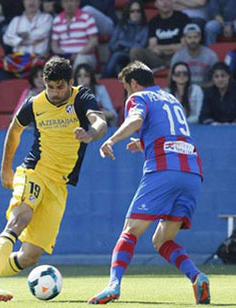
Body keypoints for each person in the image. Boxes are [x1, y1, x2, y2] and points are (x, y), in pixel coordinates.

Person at [0, 57, 107, 302]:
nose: (56, 93)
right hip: (34, 171)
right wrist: (6, 170)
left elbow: (100, 122)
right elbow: (14, 130)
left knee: (29, 256)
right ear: (43, 84)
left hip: (59, 184)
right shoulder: (35, 104)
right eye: (50, 87)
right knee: (20, 218)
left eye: (61, 87)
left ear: (71, 82)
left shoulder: (81, 97)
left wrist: (90, 133)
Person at [89, 61, 210, 305]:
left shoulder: (138, 97)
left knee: (130, 230)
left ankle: (114, 285)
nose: (126, 93)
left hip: (164, 170)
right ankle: (198, 276)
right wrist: (143, 143)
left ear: (133, 83)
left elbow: (135, 120)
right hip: (192, 173)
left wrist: (111, 140)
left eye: (125, 87)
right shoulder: (171, 99)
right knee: (162, 240)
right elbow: (173, 133)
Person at [0, 0, 51, 101]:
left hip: (37, 58)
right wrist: (22, 40)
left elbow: (41, 34)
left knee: (42, 67)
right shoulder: (16, 20)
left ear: (40, 2)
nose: (31, 2)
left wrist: (18, 37)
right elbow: (6, 38)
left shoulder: (46, 18)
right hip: (18, 59)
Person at [130, 0, 189, 70]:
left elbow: (183, 46)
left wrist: (162, 49)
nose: (165, 2)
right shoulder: (153, 22)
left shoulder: (182, 18)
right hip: (159, 59)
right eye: (161, 0)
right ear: (156, 4)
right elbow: (153, 47)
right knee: (135, 51)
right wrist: (172, 47)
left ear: (173, 2)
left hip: (178, 57)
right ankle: (138, 78)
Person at [102, 0, 148, 78]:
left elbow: (141, 46)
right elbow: (111, 45)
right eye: (132, 11)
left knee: (117, 56)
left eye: (138, 11)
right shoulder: (121, 26)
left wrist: (121, 43)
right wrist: (121, 46)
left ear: (141, 13)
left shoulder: (144, 28)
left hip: (134, 57)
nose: (135, 14)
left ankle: (103, 78)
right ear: (128, 12)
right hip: (120, 55)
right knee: (118, 67)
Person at [51, 0, 99, 70]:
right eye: (66, 2)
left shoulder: (87, 17)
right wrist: (63, 54)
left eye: (72, 1)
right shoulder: (57, 20)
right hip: (65, 56)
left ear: (78, 2)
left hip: (85, 55)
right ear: (62, 4)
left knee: (80, 60)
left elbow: (94, 41)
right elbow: (54, 45)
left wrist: (79, 54)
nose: (69, 4)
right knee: (54, 61)